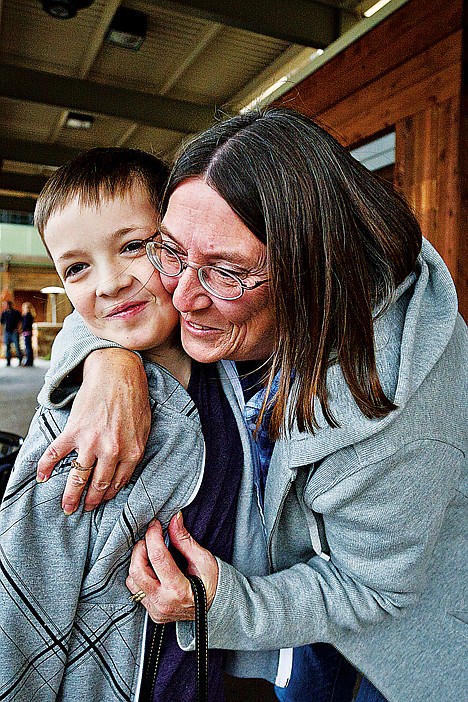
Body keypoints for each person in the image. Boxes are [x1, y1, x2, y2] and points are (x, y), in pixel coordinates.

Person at [33, 109, 467, 702]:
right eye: (170, 251)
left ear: (309, 269)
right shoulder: (219, 299)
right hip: (293, 613)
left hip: (396, 641)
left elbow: (375, 591)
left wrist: (221, 603)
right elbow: (115, 293)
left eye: (226, 272)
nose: (182, 296)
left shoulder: (402, 414)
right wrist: (108, 362)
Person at [0, 147, 245, 702]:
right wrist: (104, 357)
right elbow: (18, 602)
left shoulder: (224, 365)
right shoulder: (74, 431)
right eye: (77, 268)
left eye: (133, 246)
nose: (108, 284)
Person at [1, 300, 23, 366]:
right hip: (7, 332)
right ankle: (8, 362)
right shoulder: (4, 313)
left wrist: (19, 329)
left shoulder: (16, 313)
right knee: (7, 347)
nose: (4, 306)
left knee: (17, 347)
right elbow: (2, 324)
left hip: (14, 332)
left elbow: (21, 322)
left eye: (5, 305)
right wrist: (2, 333)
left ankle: (20, 361)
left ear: (9, 305)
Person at [21, 301, 35, 366]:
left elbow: (26, 325)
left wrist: (22, 329)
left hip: (27, 332)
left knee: (28, 347)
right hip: (28, 332)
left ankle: (29, 361)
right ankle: (30, 360)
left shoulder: (28, 315)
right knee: (28, 346)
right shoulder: (28, 315)